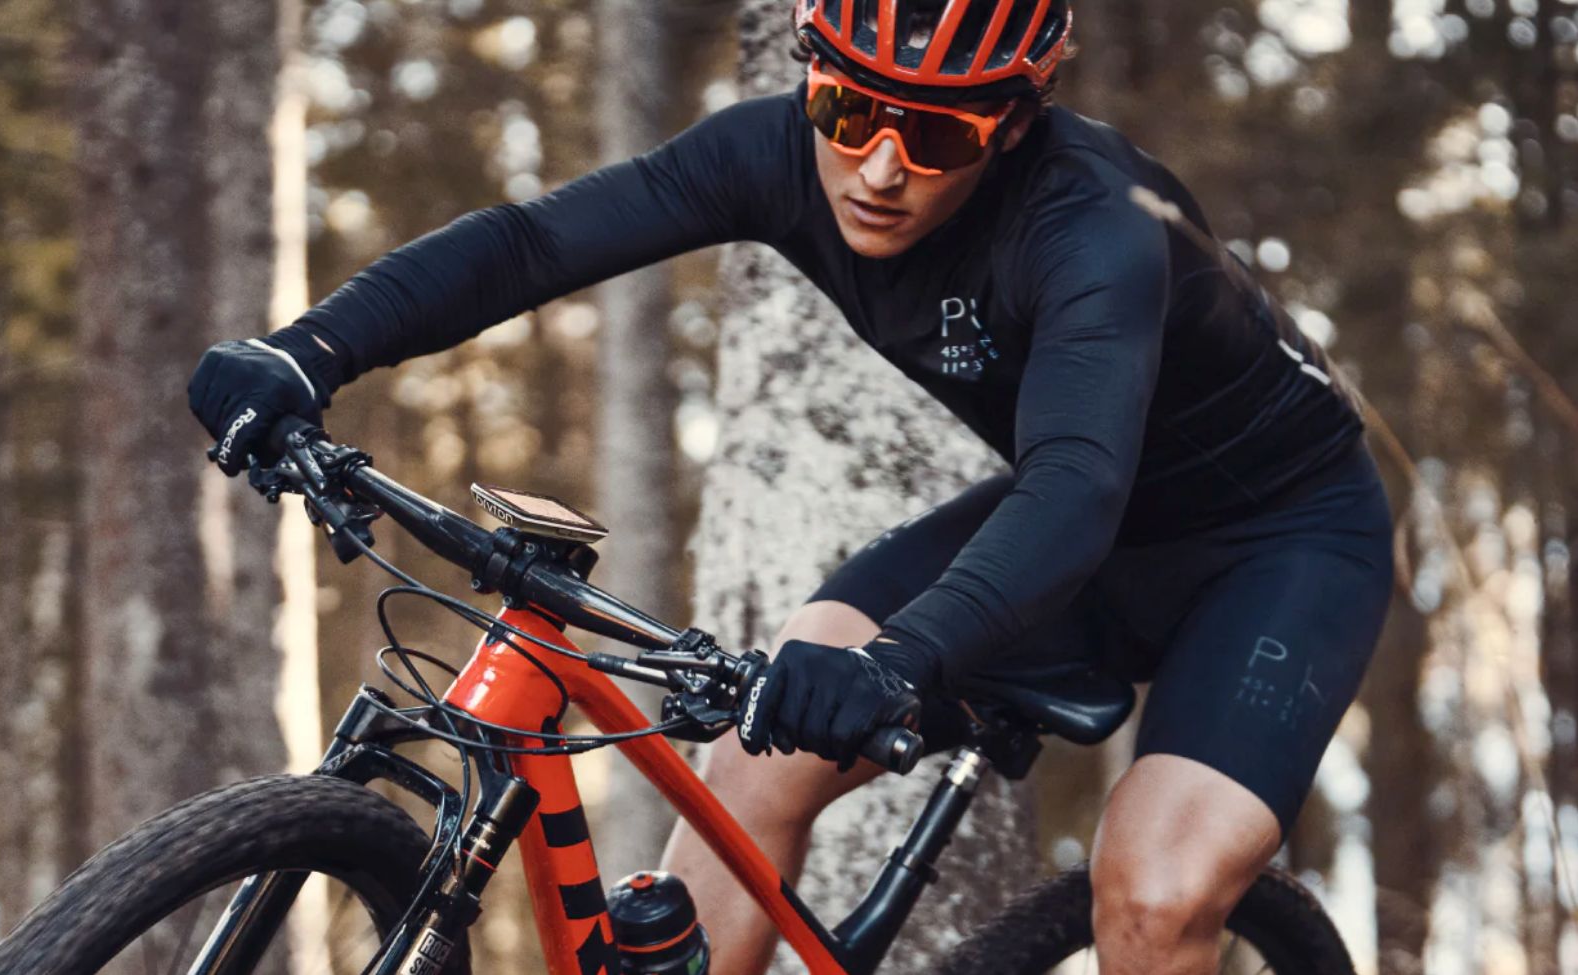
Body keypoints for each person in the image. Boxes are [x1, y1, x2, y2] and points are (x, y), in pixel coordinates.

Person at [186, 0, 1393, 970]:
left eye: (937, 135)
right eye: (846, 108)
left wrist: (896, 662)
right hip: (1077, 525)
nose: (879, 166)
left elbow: (1076, 484)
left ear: (1015, 125)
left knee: (1156, 893)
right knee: (752, 765)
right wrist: (309, 350)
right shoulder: (771, 156)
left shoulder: (1093, 224)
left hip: (1278, 544)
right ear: (811, 76)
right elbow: (534, 243)